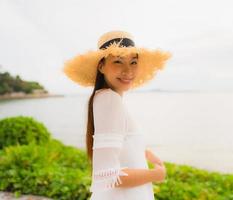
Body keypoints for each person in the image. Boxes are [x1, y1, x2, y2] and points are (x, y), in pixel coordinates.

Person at [62, 30, 172, 200]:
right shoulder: (109, 100)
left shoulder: (106, 98)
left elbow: (121, 142)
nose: (128, 70)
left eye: (133, 62)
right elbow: (108, 176)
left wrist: (144, 152)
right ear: (101, 66)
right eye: (118, 61)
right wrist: (157, 174)